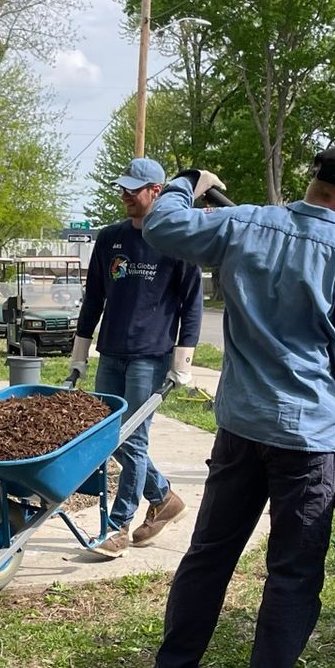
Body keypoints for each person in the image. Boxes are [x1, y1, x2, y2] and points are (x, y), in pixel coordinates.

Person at [142, 144, 335, 668]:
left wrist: (187, 180)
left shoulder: (246, 224)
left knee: (210, 554)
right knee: (292, 572)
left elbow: (161, 225)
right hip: (306, 439)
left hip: (241, 424)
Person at [70, 156, 203, 558]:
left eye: (134, 189)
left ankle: (118, 527)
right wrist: (80, 353)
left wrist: (183, 361)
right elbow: (93, 298)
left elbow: (192, 305)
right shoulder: (110, 238)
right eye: (123, 188)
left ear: (156, 191)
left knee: (132, 437)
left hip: (150, 356)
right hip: (111, 352)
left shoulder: (176, 240)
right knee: (107, 436)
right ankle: (163, 496)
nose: (126, 195)